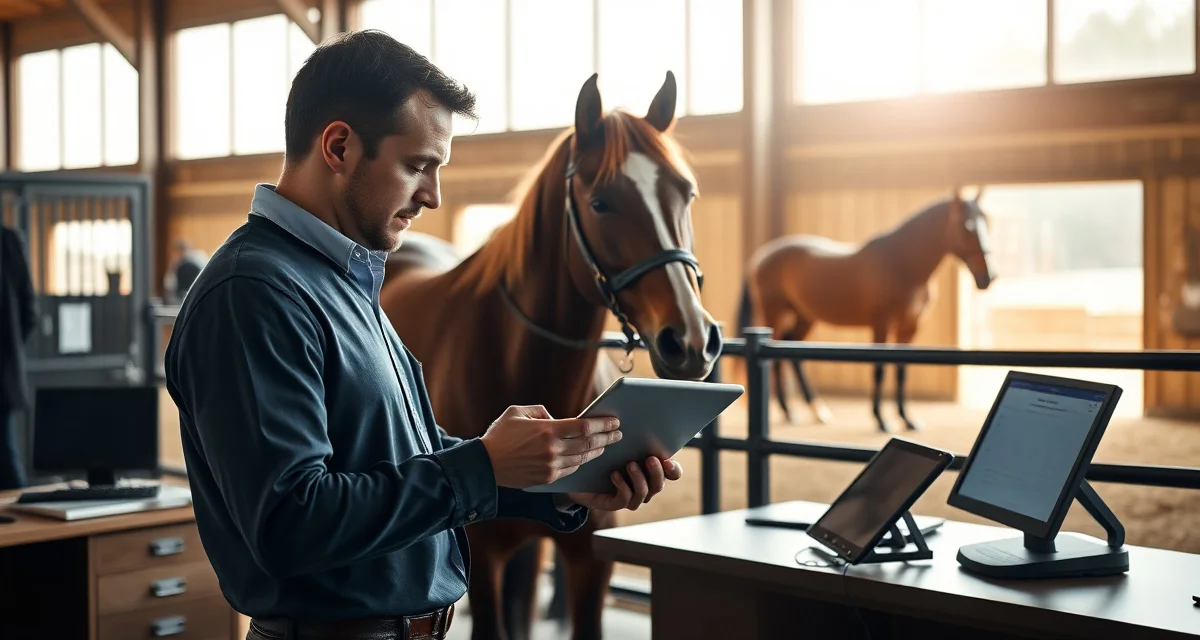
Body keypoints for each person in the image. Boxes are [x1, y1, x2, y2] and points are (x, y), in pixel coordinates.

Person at [163, 30, 682, 640]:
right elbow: (289, 523)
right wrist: (481, 465)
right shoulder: (252, 294)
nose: (433, 196)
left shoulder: (341, 276)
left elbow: (397, 455)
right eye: (417, 166)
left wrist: (562, 488)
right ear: (338, 146)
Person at [0, 223, 35, 490]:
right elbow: (29, 313)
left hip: (4, 369)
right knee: (5, 454)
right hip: (4, 369)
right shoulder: (8, 241)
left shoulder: (8, 241)